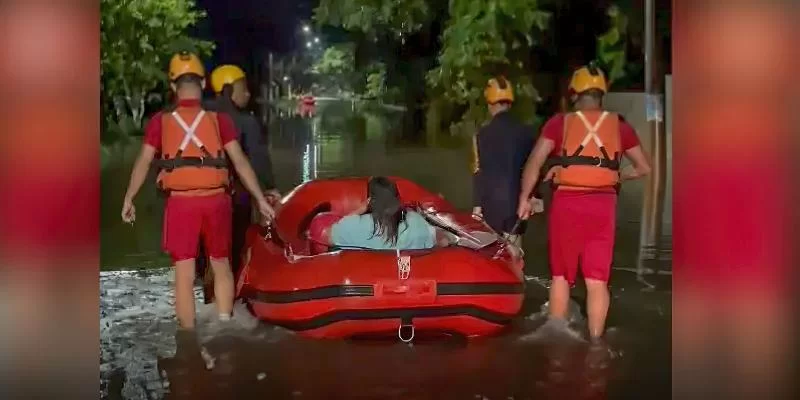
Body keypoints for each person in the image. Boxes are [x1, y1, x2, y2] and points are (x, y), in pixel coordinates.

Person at [120, 52, 275, 330]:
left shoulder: (160, 122)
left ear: (172, 86)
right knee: (221, 265)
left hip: (181, 204)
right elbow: (239, 162)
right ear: (203, 84)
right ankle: (226, 326)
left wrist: (129, 197)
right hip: (217, 202)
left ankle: (189, 337)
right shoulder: (220, 120)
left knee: (184, 272)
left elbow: (144, 161)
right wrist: (260, 199)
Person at [516, 63, 651, 342]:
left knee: (561, 277)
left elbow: (535, 161)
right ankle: (597, 342)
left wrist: (525, 198)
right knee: (597, 281)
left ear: (574, 94)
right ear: (603, 94)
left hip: (567, 204)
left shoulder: (559, 123)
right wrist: (613, 176)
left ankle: (555, 340)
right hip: (603, 207)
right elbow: (643, 168)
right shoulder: (620, 126)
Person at [193, 64, 280, 300]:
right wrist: (268, 191)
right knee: (232, 254)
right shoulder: (245, 121)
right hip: (232, 200)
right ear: (229, 90)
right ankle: (229, 303)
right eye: (243, 90)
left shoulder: (195, 118)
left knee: (205, 257)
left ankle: (207, 298)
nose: (248, 95)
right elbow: (258, 161)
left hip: (193, 200)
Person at [471, 76, 536, 247]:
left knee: (493, 259)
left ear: (490, 103)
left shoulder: (481, 135)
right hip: (517, 206)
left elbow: (479, 171)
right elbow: (533, 167)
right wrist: (534, 197)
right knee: (514, 257)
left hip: (490, 207)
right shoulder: (526, 132)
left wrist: (477, 206)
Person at [328, 177, 437, 250]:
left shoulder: (355, 225)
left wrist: (358, 211)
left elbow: (328, 238)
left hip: (366, 280)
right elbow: (438, 240)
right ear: (397, 199)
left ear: (370, 202)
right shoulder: (416, 221)